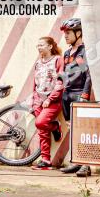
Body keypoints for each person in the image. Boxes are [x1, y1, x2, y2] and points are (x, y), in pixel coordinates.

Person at [58, 18, 93, 177]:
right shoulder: (66, 53)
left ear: (78, 33)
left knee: (82, 131)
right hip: (66, 95)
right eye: (64, 33)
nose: (65, 36)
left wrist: (85, 95)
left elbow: (88, 75)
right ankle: (76, 162)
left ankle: (86, 165)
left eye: (68, 33)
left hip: (79, 94)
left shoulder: (84, 51)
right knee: (72, 131)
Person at [30, 37, 64, 170]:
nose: (38, 47)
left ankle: (55, 127)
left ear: (50, 46)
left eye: (41, 45)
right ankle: (45, 160)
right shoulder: (38, 63)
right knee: (42, 131)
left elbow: (61, 81)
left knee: (40, 123)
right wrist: (34, 102)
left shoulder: (58, 60)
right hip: (39, 100)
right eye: (37, 45)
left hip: (53, 100)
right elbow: (35, 83)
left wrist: (51, 98)